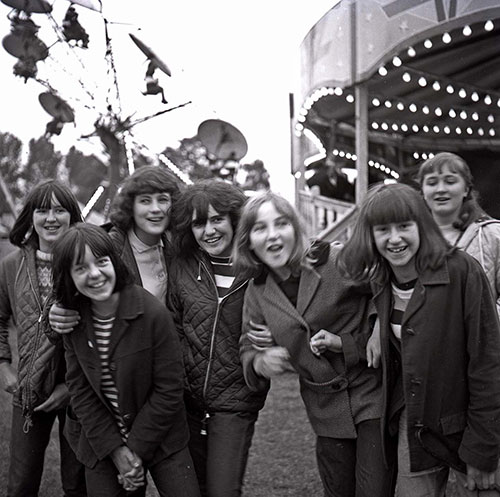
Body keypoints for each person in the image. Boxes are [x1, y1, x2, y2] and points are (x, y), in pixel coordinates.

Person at [337, 182, 500, 496]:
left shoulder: (462, 271)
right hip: (415, 423)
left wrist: (484, 446)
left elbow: (488, 362)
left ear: (422, 226)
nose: (394, 238)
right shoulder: (382, 278)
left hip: (470, 420)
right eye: (383, 229)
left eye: (404, 226)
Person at [233, 192, 393, 497]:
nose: (273, 235)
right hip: (324, 409)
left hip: (370, 394)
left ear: (295, 228)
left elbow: (383, 281)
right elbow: (247, 346)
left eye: (281, 224)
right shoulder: (257, 292)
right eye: (260, 228)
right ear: (248, 242)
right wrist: (258, 361)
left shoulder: (334, 260)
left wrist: (374, 334)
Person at [51, 223, 200, 497]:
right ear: (68, 277)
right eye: (80, 268)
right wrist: (117, 452)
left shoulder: (153, 312)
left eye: (101, 262)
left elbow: (169, 389)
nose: (94, 274)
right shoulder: (74, 319)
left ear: (114, 262)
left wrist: (134, 451)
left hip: (161, 433)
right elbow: (81, 392)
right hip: (103, 439)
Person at [167, 179, 268, 497]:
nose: (208, 230)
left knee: (223, 490)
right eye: (199, 223)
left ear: (235, 219)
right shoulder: (182, 265)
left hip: (235, 403)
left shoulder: (262, 268)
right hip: (185, 402)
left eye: (216, 219)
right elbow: (173, 324)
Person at [0, 180, 86, 496]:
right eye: (42, 210)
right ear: (31, 217)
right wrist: (3, 364)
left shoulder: (87, 263)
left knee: (78, 483)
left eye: (60, 210)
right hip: (30, 387)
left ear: (72, 217)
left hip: (80, 388)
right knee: (21, 483)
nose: (51, 218)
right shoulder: (11, 265)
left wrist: (71, 386)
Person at [48, 165, 180, 330]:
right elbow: (63, 296)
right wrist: (55, 312)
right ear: (130, 206)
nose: (155, 209)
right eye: (145, 200)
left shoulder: (177, 250)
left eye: (162, 199)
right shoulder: (104, 248)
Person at [418, 152, 500, 316]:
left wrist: (483, 327)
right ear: (422, 191)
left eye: (450, 181)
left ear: (466, 189)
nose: (441, 189)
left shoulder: (493, 234)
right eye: (432, 182)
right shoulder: (412, 238)